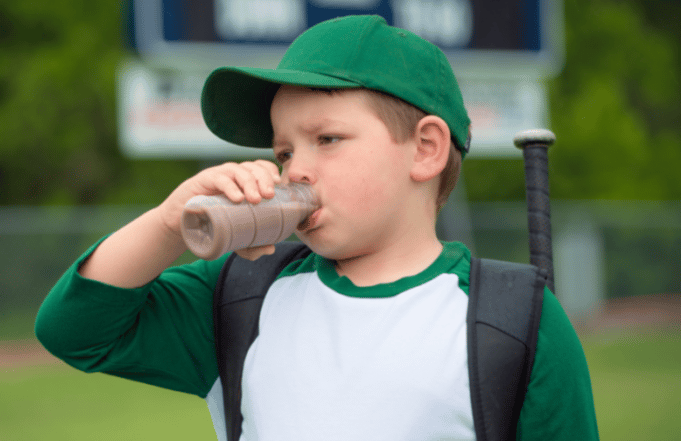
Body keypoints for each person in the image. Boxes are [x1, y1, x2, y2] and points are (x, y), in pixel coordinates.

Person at [35, 14, 598, 441]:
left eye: (326, 139)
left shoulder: (513, 317)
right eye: (283, 151)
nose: (294, 168)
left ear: (425, 149)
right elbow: (76, 329)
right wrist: (167, 223)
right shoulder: (240, 295)